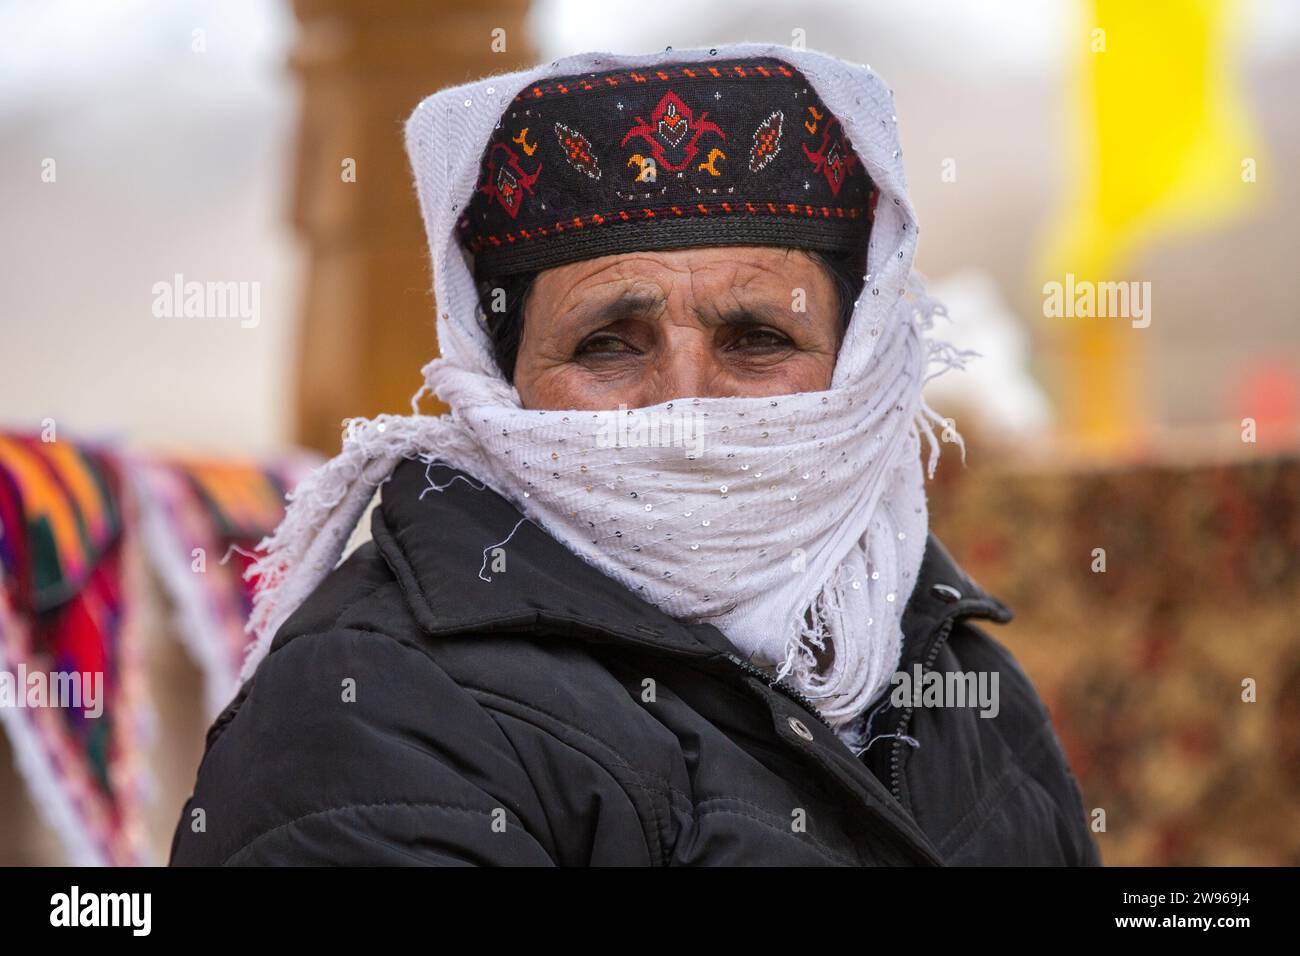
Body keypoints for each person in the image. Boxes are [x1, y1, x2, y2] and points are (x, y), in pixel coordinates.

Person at [170, 44, 1100, 866]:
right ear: (500, 380)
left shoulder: (950, 669)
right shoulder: (372, 712)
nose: (685, 404)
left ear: (856, 370)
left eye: (757, 340)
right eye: (608, 344)